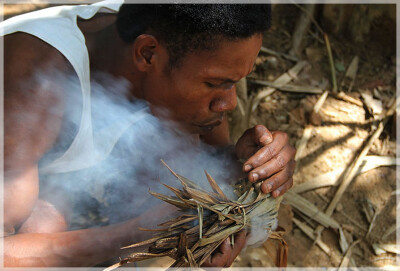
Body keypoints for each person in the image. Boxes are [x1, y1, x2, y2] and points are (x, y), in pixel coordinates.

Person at [2, 1, 296, 267]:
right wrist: (146, 235)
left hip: (55, 179)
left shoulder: (185, 33)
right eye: (215, 83)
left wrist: (250, 166)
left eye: (234, 83)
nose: (229, 103)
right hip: (24, 178)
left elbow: (211, 165)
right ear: (148, 53)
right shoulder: (34, 90)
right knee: (42, 225)